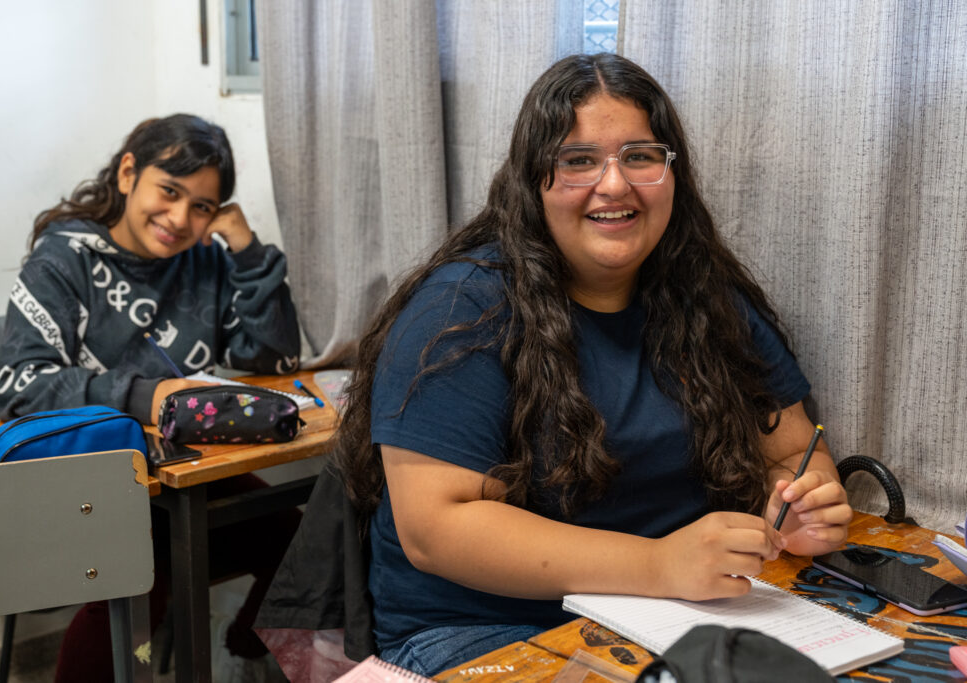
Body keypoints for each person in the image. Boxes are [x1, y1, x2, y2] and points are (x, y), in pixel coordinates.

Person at [332, 53, 853, 675]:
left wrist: (800, 508)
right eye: (578, 161)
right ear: (534, 181)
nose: (614, 184)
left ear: (671, 172)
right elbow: (435, 530)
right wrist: (659, 565)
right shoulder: (458, 310)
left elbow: (792, 452)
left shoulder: (707, 295)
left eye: (640, 156)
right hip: (486, 631)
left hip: (683, 610)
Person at [0, 113, 301, 682]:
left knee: (297, 542)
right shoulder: (63, 261)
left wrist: (248, 250)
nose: (180, 219)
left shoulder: (205, 257)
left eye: (202, 206)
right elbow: (20, 388)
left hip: (184, 476)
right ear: (129, 172)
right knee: (141, 576)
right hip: (90, 480)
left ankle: (237, 652)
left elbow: (276, 358)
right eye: (169, 191)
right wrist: (145, 395)